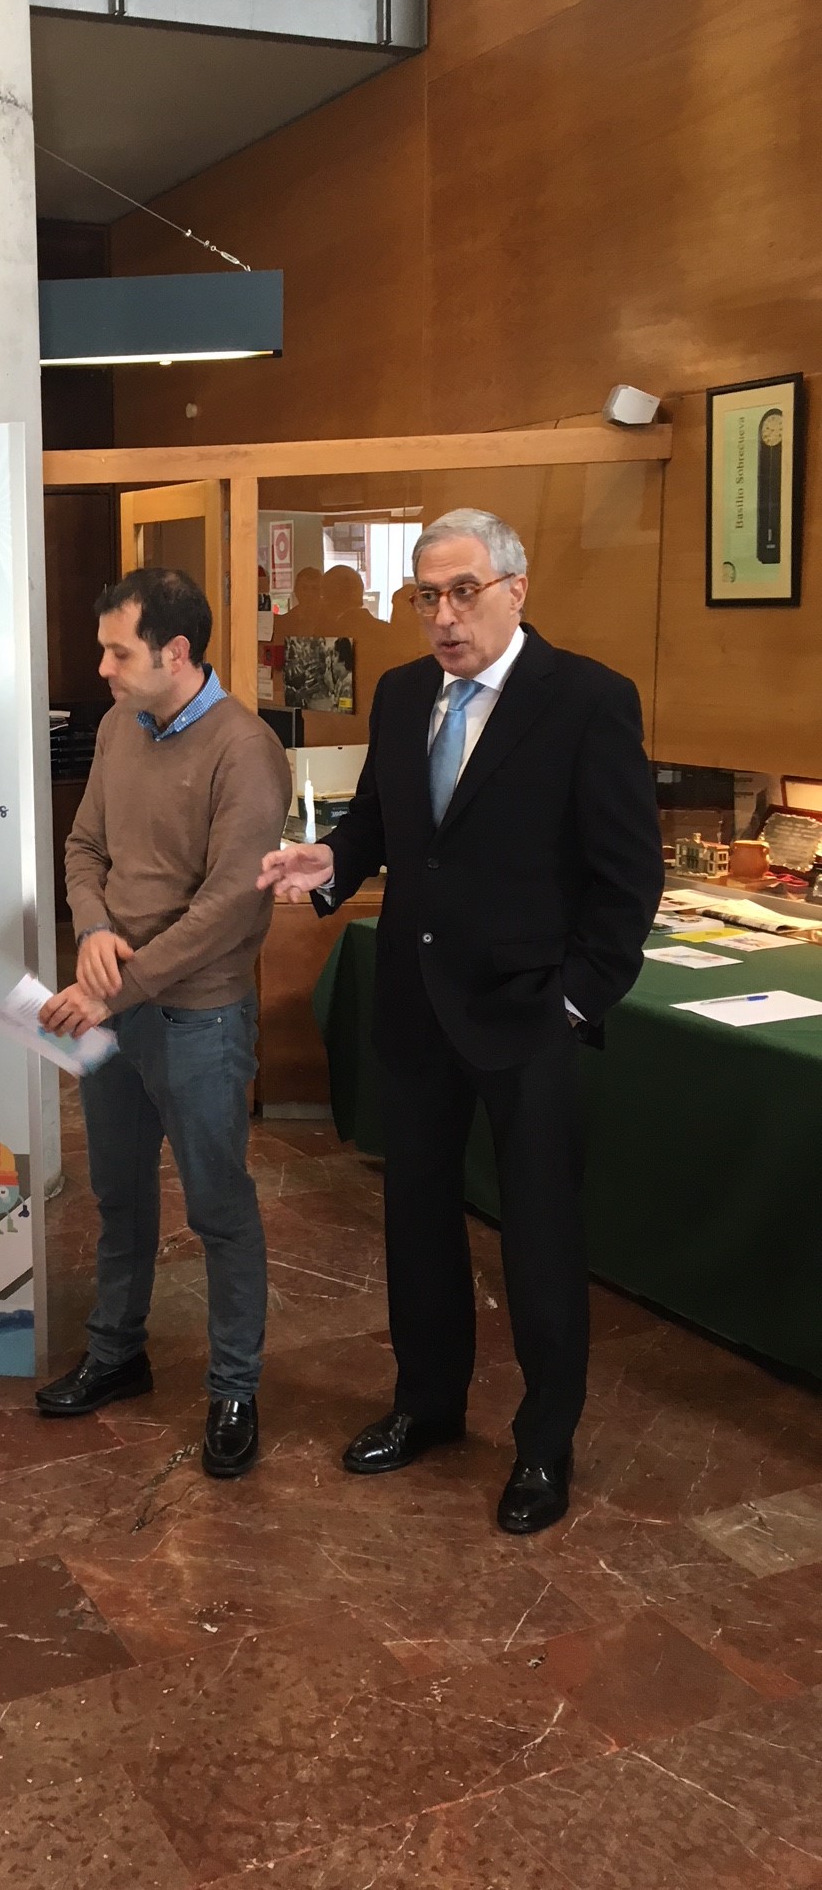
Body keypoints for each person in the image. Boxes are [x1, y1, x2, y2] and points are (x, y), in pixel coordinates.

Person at [259, 509, 663, 1533]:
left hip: (529, 1015)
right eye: (427, 596)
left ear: (516, 589)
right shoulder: (403, 694)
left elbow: (628, 882)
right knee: (417, 1222)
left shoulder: (588, 701)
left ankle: (544, 1444)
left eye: (464, 592)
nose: (444, 616)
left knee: (539, 1237)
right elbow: (383, 823)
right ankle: (428, 1404)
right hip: (416, 1002)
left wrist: (572, 1001)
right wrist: (331, 861)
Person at [38, 566, 291, 1479]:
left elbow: (229, 909)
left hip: (196, 1018)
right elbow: (83, 848)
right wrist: (93, 928)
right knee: (118, 1193)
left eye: (118, 653)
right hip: (116, 1006)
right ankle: (117, 1353)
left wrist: (119, 986)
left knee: (218, 1207)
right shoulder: (118, 727)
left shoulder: (246, 750)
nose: (103, 669)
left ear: (175, 652)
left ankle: (234, 1387)